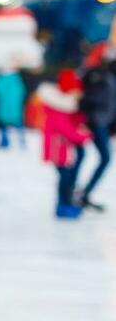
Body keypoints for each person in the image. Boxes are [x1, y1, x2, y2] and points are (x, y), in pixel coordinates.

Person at [40, 71, 91, 220]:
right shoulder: (59, 107)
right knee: (65, 178)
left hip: (62, 147)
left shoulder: (66, 106)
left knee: (66, 177)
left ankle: (64, 204)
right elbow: (66, 129)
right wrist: (85, 135)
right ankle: (63, 206)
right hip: (58, 148)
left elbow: (73, 120)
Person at [78, 55, 116, 211]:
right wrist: (89, 121)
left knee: (103, 158)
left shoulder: (109, 77)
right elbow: (90, 99)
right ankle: (82, 193)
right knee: (103, 158)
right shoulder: (100, 76)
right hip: (96, 123)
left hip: (103, 123)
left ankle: (83, 193)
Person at [0, 62, 28, 150]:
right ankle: (21, 140)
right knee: (18, 122)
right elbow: (22, 91)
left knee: (3, 123)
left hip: (3, 105)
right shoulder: (16, 78)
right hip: (15, 106)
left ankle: (4, 141)